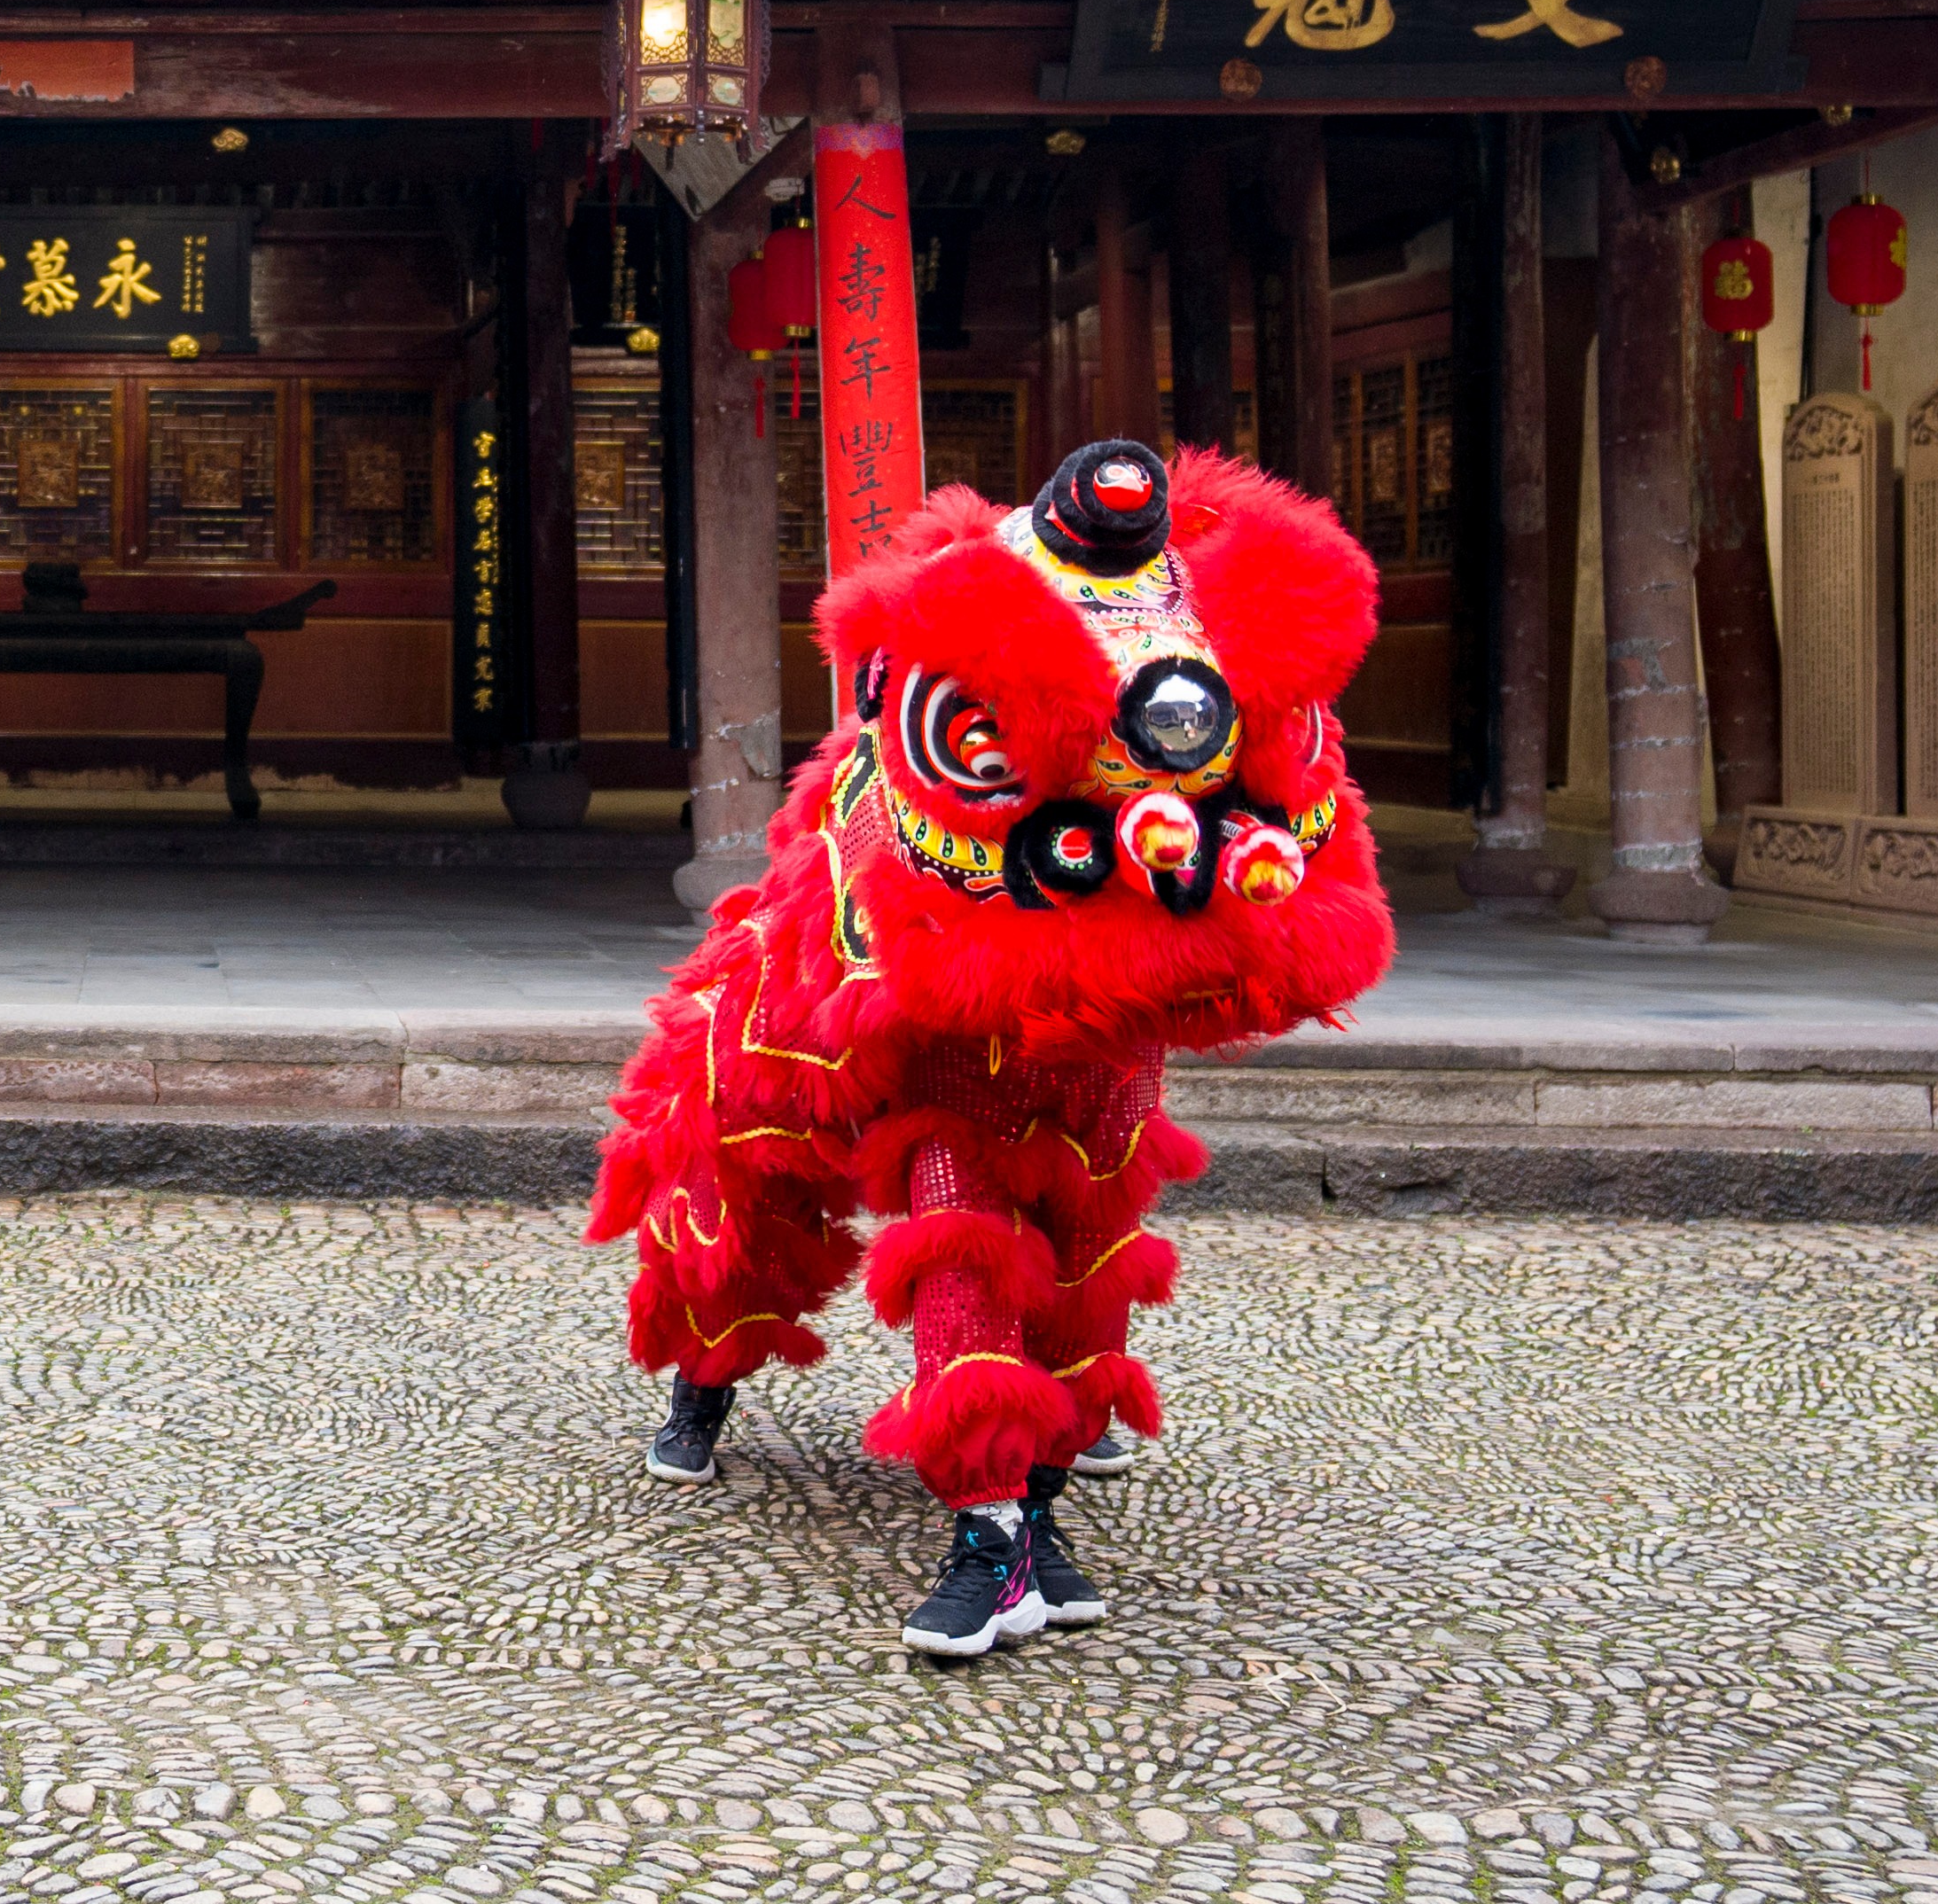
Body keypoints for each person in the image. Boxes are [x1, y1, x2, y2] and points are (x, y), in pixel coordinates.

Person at [590, 441, 1392, 1657]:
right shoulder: (969, 630)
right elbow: (915, 799)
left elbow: (1291, 797)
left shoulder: (1206, 620)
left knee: (1090, 1226)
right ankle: (951, 1506)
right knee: (888, 1193)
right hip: (948, 991)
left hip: (1123, 975)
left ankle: (1029, 1508)